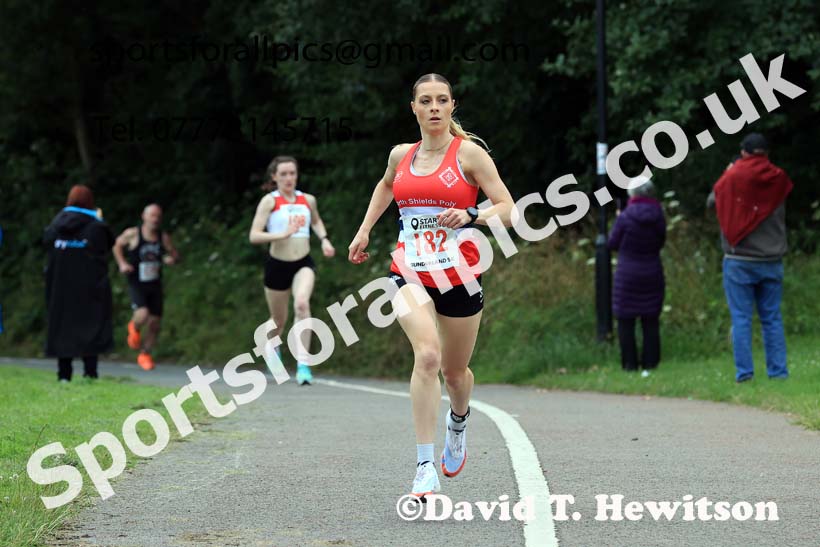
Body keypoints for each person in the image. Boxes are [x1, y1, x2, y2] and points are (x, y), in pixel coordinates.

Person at [347, 73, 514, 499]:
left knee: (455, 373)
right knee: (427, 356)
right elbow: (386, 187)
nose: (435, 107)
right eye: (426, 100)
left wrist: (473, 216)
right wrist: (365, 228)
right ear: (414, 108)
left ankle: (457, 423)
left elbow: (510, 210)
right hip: (409, 270)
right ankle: (424, 466)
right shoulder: (400, 155)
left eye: (442, 100)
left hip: (458, 275)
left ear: (452, 107)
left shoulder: (470, 155)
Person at [708, 133, 792, 383]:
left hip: (739, 260)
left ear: (743, 152)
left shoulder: (732, 177)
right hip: (771, 259)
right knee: (772, 318)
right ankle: (778, 374)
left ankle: (745, 374)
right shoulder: (778, 178)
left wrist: (728, 172)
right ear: (766, 153)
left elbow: (713, 201)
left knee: (742, 319)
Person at [249, 156, 335, 386]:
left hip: (303, 263)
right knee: (278, 321)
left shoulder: (308, 200)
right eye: (284, 174)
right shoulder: (269, 202)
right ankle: (271, 349)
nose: (289, 178)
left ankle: (303, 364)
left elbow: (316, 222)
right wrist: (282, 234)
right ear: (274, 177)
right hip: (277, 264)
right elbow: (254, 235)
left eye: (292, 173)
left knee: (302, 304)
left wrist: (324, 240)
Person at [44, 185, 115, 382]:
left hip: (60, 287)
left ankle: (63, 375)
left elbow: (47, 245)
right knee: (90, 326)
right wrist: (99, 220)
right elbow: (109, 243)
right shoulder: (96, 226)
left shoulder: (55, 225)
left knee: (62, 328)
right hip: (89, 288)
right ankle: (90, 373)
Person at [608, 178, 667, 375]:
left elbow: (612, 243)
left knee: (625, 319)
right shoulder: (659, 215)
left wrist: (618, 217)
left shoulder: (625, 217)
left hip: (628, 273)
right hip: (652, 270)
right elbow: (661, 241)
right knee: (650, 319)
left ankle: (629, 364)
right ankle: (651, 363)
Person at [113, 204, 179, 371]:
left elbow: (174, 254)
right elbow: (116, 245)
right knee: (142, 314)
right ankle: (133, 327)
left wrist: (171, 259)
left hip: (155, 284)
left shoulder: (162, 237)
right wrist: (122, 263)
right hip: (137, 283)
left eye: (158, 216)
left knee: (155, 323)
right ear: (144, 216)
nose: (155, 219)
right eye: (152, 215)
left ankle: (145, 354)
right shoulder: (133, 234)